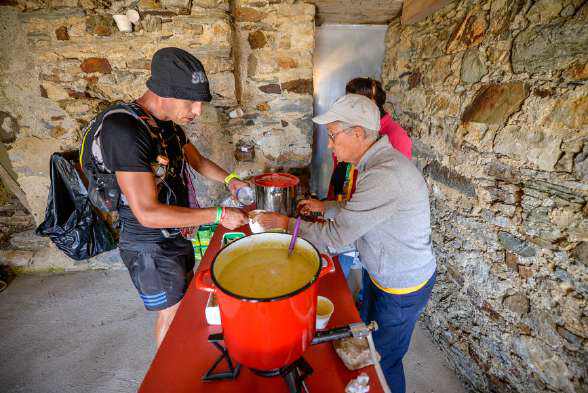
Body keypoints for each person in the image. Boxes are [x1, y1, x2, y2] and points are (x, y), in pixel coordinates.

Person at [258, 94, 436, 393]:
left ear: (357, 133)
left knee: (383, 361)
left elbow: (337, 238)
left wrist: (286, 225)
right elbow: (362, 211)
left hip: (402, 285)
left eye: (332, 135)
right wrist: (324, 207)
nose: (329, 145)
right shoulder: (376, 163)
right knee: (364, 339)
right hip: (381, 272)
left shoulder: (384, 174)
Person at [90, 47, 248, 348]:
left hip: (173, 232)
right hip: (148, 245)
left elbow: (198, 162)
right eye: (190, 102)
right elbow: (147, 212)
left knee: (186, 300)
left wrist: (231, 180)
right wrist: (219, 215)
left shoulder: (167, 126)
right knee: (172, 313)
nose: (197, 111)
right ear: (161, 92)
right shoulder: (123, 130)